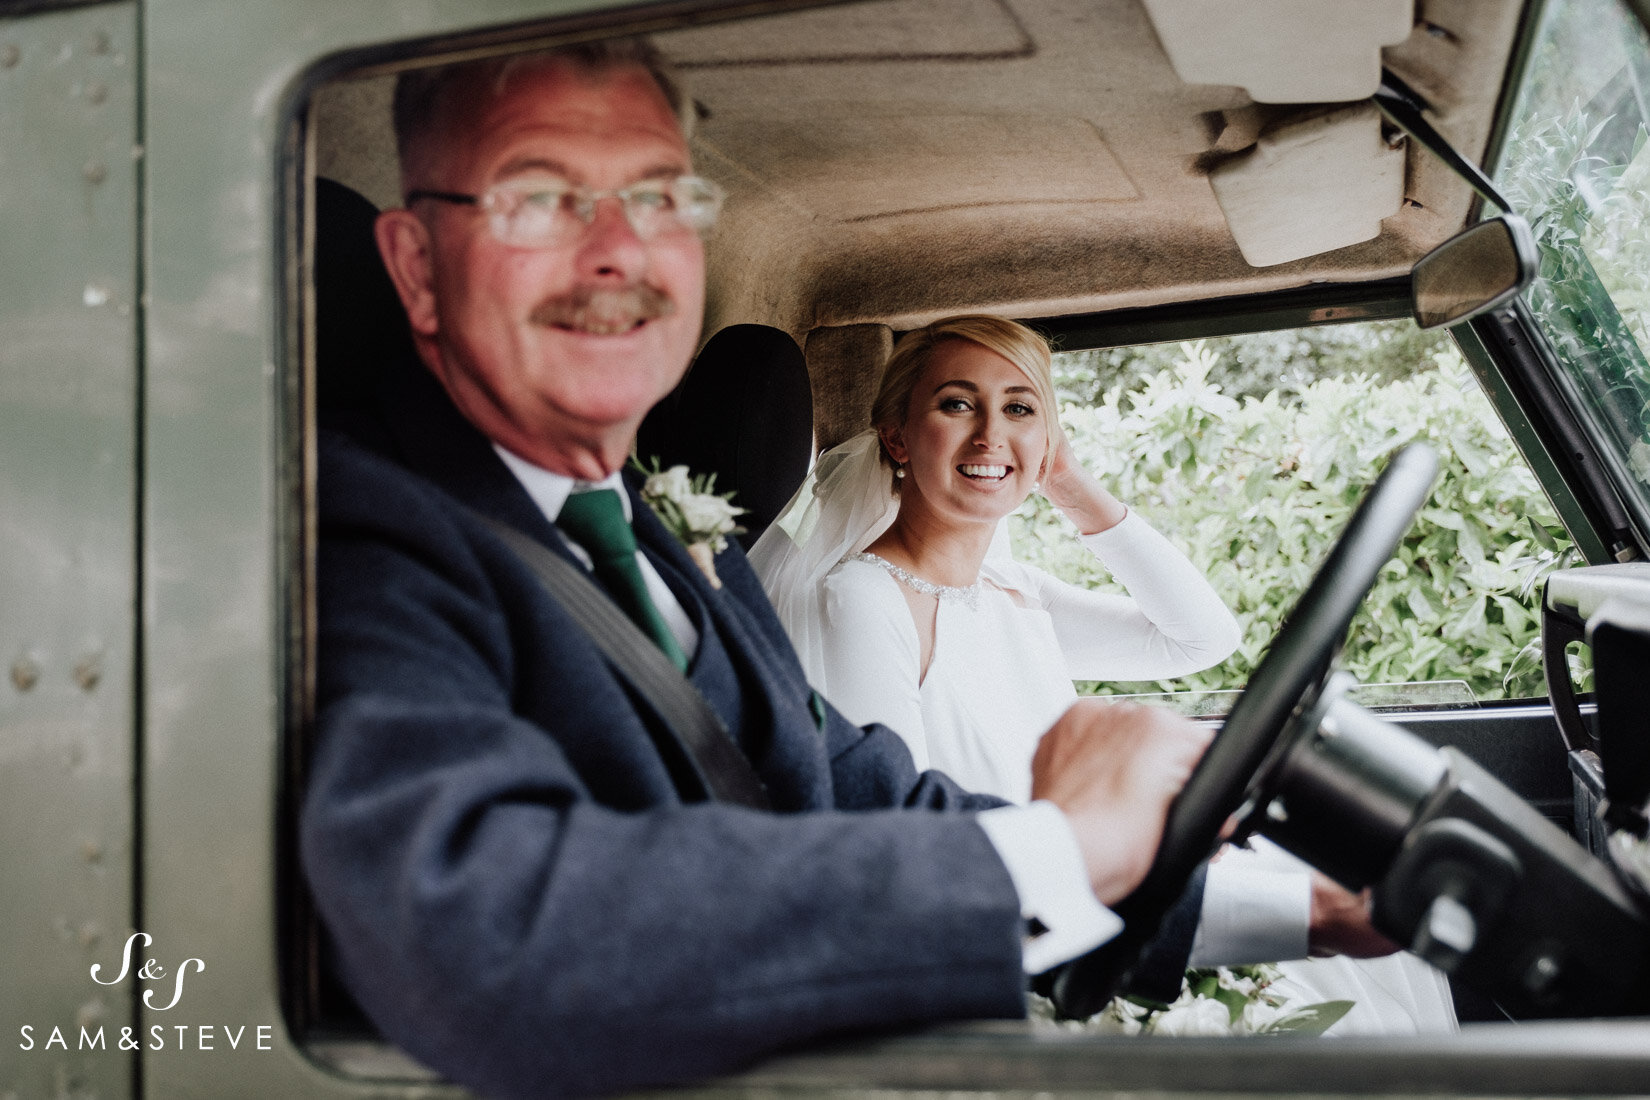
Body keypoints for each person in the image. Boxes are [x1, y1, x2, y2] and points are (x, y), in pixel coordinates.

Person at [300, 39, 1216, 1100]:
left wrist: (1274, 900)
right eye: (540, 197)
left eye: (657, 199)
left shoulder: (663, 534)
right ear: (415, 265)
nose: (618, 251)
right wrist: (1062, 847)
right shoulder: (363, 524)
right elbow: (482, 932)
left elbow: (850, 788)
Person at [750, 315, 1458, 1034]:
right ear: (897, 436)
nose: (991, 436)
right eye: (957, 404)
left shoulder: (1011, 589)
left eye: (1020, 409)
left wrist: (1069, 484)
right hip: (1029, 929)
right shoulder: (863, 601)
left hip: (1105, 885)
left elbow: (1199, 637)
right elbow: (902, 844)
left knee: (1382, 922)